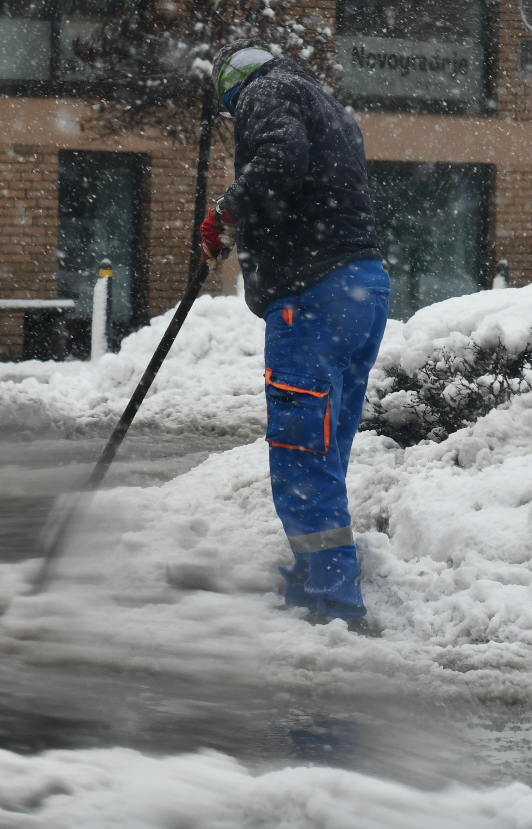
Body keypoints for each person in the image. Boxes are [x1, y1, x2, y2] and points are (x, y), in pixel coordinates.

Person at [199, 44, 390, 628]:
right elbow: (304, 175)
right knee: (326, 447)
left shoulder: (266, 91)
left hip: (312, 297)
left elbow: (282, 158)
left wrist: (228, 212)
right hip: (362, 288)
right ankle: (318, 577)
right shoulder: (327, 103)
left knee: (301, 452)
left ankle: (331, 600)